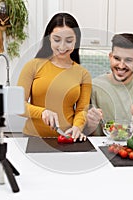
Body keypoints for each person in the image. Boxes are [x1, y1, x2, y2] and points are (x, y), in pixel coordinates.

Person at [17, 13, 92, 141]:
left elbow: (81, 110)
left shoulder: (83, 74)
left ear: (76, 41)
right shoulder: (33, 66)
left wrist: (77, 127)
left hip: (67, 139)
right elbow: (17, 105)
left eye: (69, 41)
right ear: (49, 39)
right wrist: (42, 112)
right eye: (57, 40)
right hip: (33, 138)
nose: (62, 47)